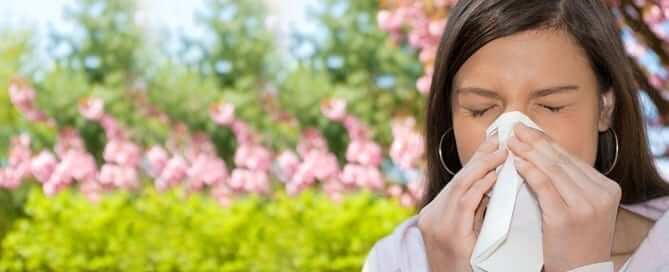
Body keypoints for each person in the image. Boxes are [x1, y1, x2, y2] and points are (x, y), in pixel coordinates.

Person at [363, 0, 669, 271]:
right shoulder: (399, 259)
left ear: (604, 108)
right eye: (480, 109)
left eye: (552, 106)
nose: (513, 135)